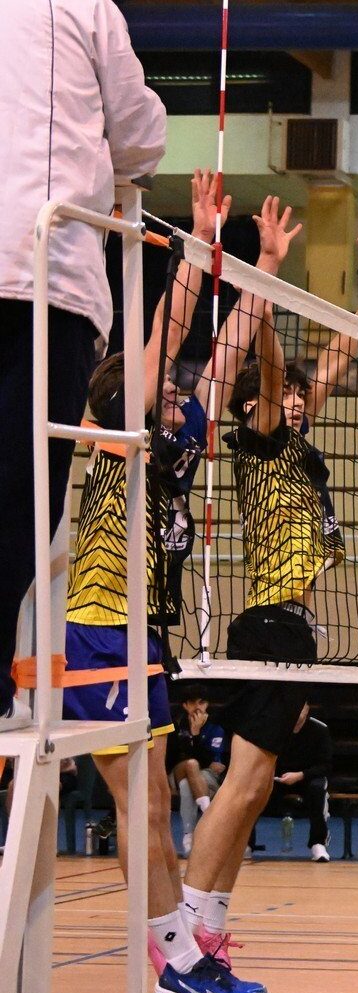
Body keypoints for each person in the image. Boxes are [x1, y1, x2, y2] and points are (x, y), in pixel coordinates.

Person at [57, 173, 264, 993]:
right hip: (99, 628)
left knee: (155, 810)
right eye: (164, 392)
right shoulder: (121, 442)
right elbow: (165, 334)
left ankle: (184, 957)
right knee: (140, 803)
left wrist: (253, 271)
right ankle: (174, 960)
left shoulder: (171, 461)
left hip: (140, 634)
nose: (179, 393)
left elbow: (221, 359)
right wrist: (193, 248)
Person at [182, 231, 358, 993]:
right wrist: (265, 308)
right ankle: (187, 933)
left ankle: (210, 926)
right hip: (270, 626)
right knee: (243, 786)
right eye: (285, 395)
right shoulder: (261, 438)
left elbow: (331, 363)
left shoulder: (297, 446)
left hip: (289, 632)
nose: (298, 398)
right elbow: (274, 377)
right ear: (254, 409)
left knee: (256, 786)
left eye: (302, 396)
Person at [1, 0, 166, 730]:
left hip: (45, 279)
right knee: (20, 502)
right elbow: (142, 141)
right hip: (45, 283)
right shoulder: (85, 8)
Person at [269, 704, 332, 863]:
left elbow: (325, 765)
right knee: (254, 790)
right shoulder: (275, 727)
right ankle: (247, 844)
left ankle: (318, 843)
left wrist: (300, 775)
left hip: (307, 777)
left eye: (301, 708)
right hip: (280, 777)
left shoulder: (320, 729)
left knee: (317, 789)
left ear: (307, 709)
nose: (296, 711)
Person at [168, 691, 229, 857]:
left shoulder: (215, 726)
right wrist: (194, 735)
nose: (197, 707)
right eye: (192, 703)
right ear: (185, 705)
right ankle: (209, 815)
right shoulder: (177, 724)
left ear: (207, 705)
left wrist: (195, 735)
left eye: (201, 702)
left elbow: (212, 760)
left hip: (206, 774)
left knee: (187, 784)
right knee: (191, 764)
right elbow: (174, 756)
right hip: (179, 770)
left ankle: (188, 835)